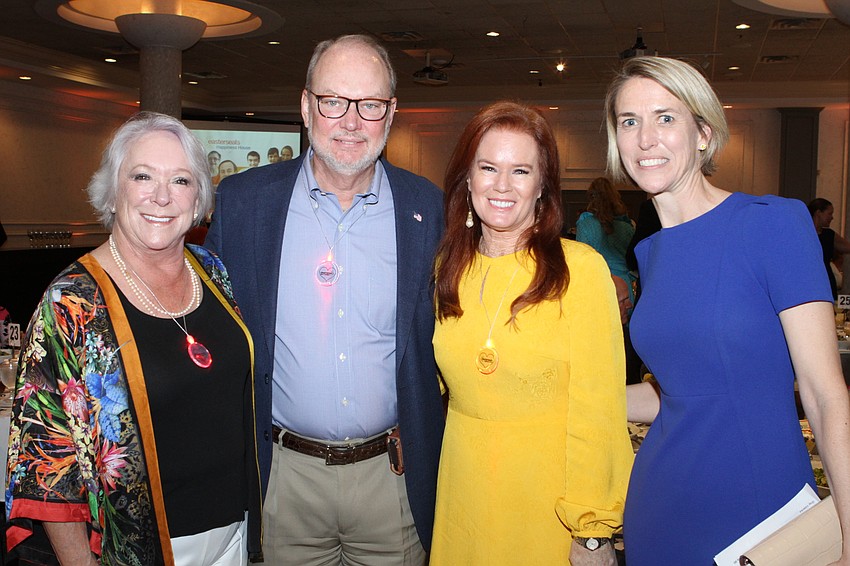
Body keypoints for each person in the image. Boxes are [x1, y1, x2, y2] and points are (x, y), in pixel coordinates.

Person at [205, 34, 445, 565]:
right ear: (306, 106)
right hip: (284, 481)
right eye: (333, 101)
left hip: (393, 478)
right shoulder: (244, 204)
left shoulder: (425, 207)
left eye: (370, 104)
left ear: (392, 112)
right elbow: (210, 336)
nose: (351, 121)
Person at [606, 56, 850, 564]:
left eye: (665, 117)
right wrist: (561, 391)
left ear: (702, 132)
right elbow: (684, 394)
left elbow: (826, 395)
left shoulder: (772, 224)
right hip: (659, 505)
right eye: (629, 122)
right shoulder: (650, 254)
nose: (646, 138)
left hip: (757, 508)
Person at [4, 112, 262, 565]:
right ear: (112, 189)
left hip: (233, 535)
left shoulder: (213, 272)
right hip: (137, 548)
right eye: (142, 176)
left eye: (180, 180)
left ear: (199, 196)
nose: (161, 196)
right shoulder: (72, 302)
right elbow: (45, 461)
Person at [430, 101, 632, 565]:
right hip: (463, 500)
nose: (502, 185)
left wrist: (593, 531)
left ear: (542, 185)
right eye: (488, 167)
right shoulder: (447, 269)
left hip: (549, 509)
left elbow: (598, 412)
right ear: (467, 178)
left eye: (521, 170)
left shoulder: (580, 271)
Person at [576, 176, 636, 300]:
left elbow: (581, 261)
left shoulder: (585, 223)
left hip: (599, 284)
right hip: (625, 288)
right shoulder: (627, 226)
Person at [809, 197, 850, 299]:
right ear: (818, 213)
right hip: (809, 280)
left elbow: (847, 247)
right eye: (829, 214)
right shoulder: (803, 233)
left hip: (826, 280)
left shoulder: (829, 235)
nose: (832, 217)